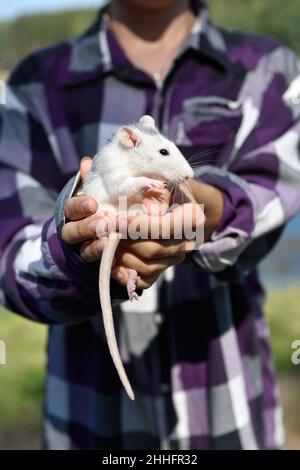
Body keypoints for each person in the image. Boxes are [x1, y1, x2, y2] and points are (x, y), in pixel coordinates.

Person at [0, 0, 300, 450]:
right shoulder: (31, 86)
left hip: (232, 418)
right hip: (88, 427)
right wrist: (74, 249)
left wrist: (207, 206)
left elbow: (274, 195)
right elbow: (12, 257)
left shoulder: (270, 69)